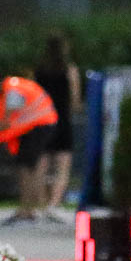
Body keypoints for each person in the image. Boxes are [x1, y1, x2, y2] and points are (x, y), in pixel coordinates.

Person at [0, 70, 58, 227]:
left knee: (26, 168)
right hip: (35, 126)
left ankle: (27, 211)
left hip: (38, 126)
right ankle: (29, 209)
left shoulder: (13, 91)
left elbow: (5, 121)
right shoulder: (13, 87)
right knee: (27, 167)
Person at [33, 34, 81, 222]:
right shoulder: (69, 70)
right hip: (61, 119)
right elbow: (75, 99)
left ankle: (41, 204)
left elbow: (33, 96)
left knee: (42, 165)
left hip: (42, 119)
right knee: (62, 166)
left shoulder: (39, 71)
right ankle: (54, 205)